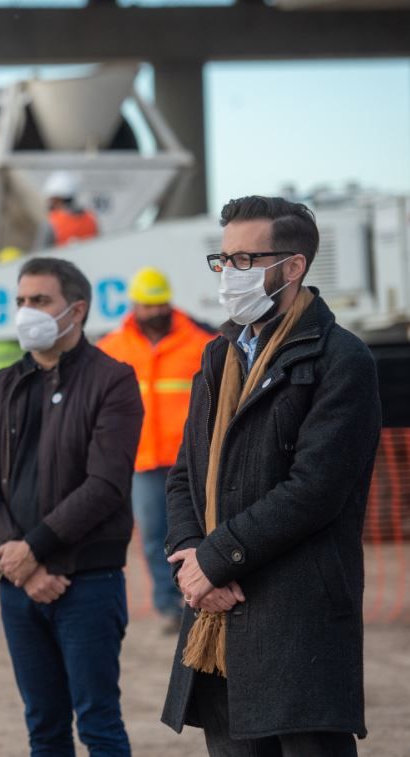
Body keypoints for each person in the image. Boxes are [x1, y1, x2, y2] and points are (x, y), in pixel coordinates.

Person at [161, 196, 382, 756]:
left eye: (245, 260)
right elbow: (186, 475)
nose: (230, 273)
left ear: (293, 266)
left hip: (296, 618)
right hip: (218, 614)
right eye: (224, 259)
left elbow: (315, 490)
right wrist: (190, 557)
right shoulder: (218, 355)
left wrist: (213, 561)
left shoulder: (340, 359)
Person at [0, 256, 143, 756]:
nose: (26, 311)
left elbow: (105, 484)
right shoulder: (3, 384)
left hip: (88, 581)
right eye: (21, 301)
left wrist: (36, 550)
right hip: (18, 584)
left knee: (98, 724)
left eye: (40, 301)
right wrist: (16, 559)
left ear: (78, 310)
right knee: (43, 728)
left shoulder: (113, 379)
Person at [97, 267, 215, 633]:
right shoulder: (113, 347)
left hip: (193, 458)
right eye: (146, 305)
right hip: (143, 459)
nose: (153, 312)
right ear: (134, 305)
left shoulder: (200, 343)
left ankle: (203, 598)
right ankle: (169, 606)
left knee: (202, 532)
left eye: (159, 304)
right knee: (153, 536)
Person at [37, 171, 99, 248]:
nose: (50, 204)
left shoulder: (52, 223)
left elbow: (40, 254)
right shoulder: (91, 218)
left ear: (59, 199)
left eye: (52, 200)